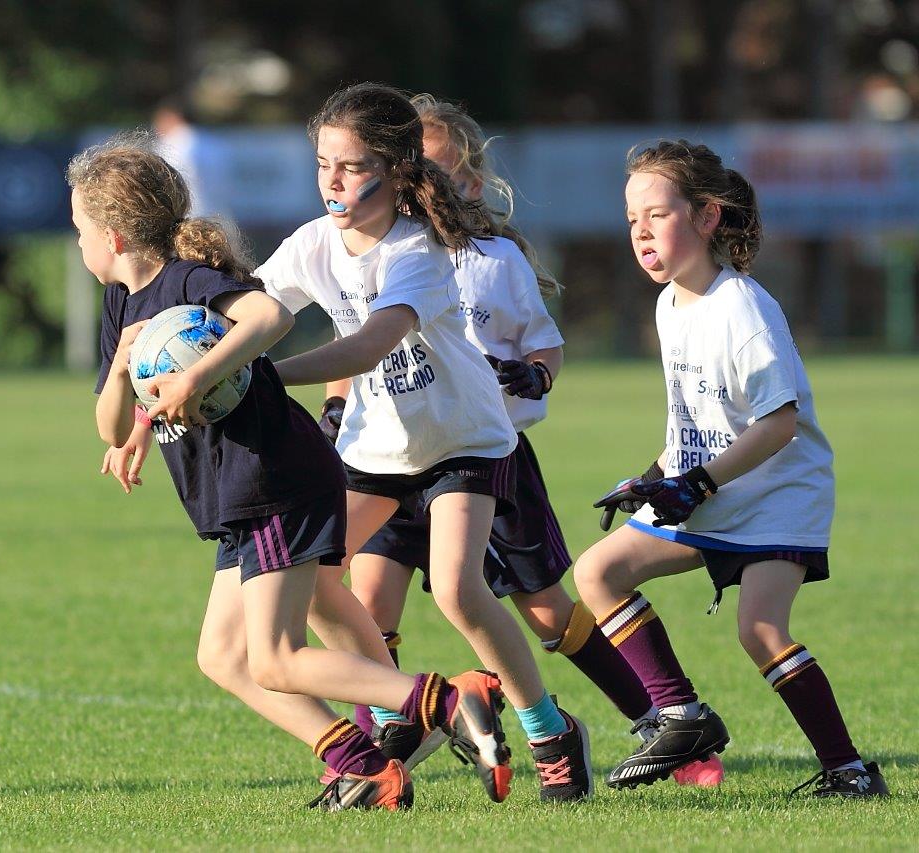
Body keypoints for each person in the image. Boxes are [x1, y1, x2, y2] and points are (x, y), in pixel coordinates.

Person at [75, 132, 518, 812]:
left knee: (275, 656)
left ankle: (447, 698)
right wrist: (124, 364)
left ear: (110, 235)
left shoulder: (187, 281)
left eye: (78, 228)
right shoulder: (121, 308)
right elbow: (108, 425)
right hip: (233, 493)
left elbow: (269, 313)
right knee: (223, 656)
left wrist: (196, 372)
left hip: (273, 478)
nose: (76, 243)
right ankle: (364, 765)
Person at [317, 95, 723, 788]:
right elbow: (354, 351)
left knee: (545, 612)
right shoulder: (367, 253)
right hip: (387, 458)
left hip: (484, 459)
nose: (417, 185)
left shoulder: (492, 260)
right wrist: (331, 414)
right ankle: (382, 745)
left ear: (468, 183)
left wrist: (532, 374)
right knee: (362, 595)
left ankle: (659, 722)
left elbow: (546, 349)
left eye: (433, 170)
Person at [255, 83, 593, 802]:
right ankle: (391, 713)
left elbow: (372, 343)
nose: (332, 180)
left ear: (398, 169)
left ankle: (549, 730)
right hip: (378, 447)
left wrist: (264, 377)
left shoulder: (421, 251)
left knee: (461, 591)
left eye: (349, 165)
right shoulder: (314, 243)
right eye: (323, 164)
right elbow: (256, 304)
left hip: (465, 438)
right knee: (314, 578)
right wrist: (198, 343)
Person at [577, 139, 888, 798]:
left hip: (780, 490)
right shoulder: (668, 305)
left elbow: (777, 423)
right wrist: (651, 475)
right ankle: (681, 713)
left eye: (656, 215)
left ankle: (850, 771)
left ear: (708, 216)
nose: (641, 232)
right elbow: (691, 426)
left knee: (760, 629)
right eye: (632, 220)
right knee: (597, 570)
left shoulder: (742, 308)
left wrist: (698, 482)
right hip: (710, 489)